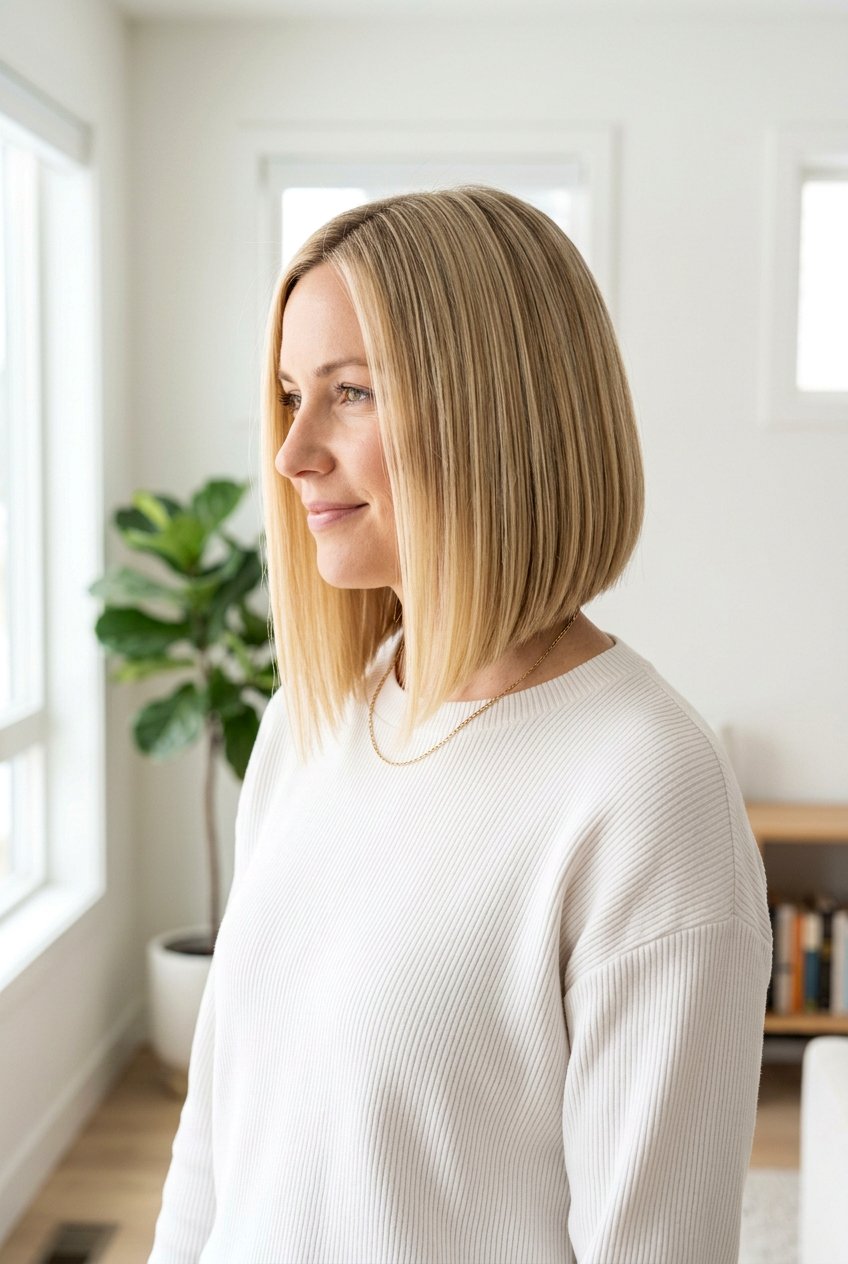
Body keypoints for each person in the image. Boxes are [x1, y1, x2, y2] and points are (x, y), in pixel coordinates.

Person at [148, 185, 772, 1263]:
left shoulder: (644, 789)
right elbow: (218, 1136)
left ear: (497, 411)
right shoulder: (314, 719)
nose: (293, 453)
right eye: (290, 394)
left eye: (348, 393)